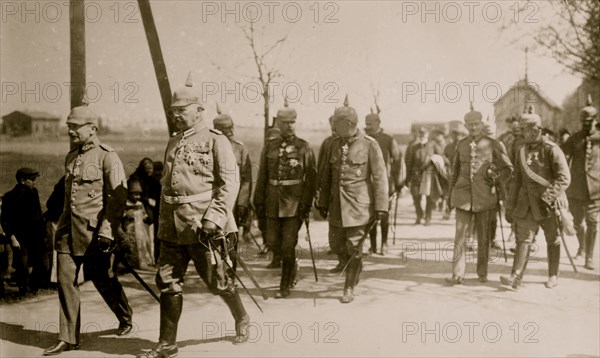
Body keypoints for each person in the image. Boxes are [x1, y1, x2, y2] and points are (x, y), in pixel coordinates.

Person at [141, 74, 249, 358]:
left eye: (182, 110)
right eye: (173, 111)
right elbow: (170, 184)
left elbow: (230, 183)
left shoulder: (216, 140)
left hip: (203, 226)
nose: (176, 115)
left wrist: (214, 218)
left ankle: (241, 317)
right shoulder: (174, 141)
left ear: (199, 110)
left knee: (217, 281)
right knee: (167, 281)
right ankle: (167, 343)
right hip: (172, 227)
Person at [44, 105, 133, 356]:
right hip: (67, 232)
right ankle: (69, 337)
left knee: (102, 279)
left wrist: (107, 231)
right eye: (69, 126)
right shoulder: (71, 157)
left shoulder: (108, 157)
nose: (70, 130)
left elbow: (117, 198)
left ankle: (125, 316)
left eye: (75, 126)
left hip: (95, 234)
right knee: (65, 282)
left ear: (93, 129)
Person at [317, 96, 388, 303]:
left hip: (359, 207)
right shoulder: (333, 145)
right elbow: (326, 175)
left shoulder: (369, 144)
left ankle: (348, 287)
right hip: (337, 206)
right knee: (337, 245)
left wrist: (381, 207)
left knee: (354, 248)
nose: (333, 128)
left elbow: (380, 177)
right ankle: (355, 267)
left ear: (347, 125)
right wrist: (322, 201)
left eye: (336, 124)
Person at [500, 105, 571, 289]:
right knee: (523, 239)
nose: (522, 134)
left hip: (547, 204)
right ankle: (516, 277)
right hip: (525, 204)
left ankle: (553, 275)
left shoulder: (551, 149)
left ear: (537, 129)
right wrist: (510, 206)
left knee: (552, 239)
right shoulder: (521, 151)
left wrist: (548, 196)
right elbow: (516, 181)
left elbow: (564, 178)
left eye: (525, 130)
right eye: (521, 130)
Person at [254, 99, 317, 298]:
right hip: (273, 203)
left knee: (288, 244)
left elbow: (312, 177)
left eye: (292, 122)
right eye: (285, 123)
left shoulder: (303, 147)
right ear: (278, 124)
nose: (289, 126)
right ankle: (293, 266)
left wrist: (306, 204)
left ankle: (285, 284)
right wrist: (259, 202)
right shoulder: (270, 146)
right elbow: (263, 176)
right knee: (273, 242)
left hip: (293, 203)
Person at [445, 103, 512, 285]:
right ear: (465, 126)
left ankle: (482, 273)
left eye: (476, 124)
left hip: (485, 197)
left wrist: (495, 179)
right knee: (460, 236)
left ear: (481, 124)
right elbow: (455, 172)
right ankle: (457, 274)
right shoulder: (461, 144)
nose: (473, 127)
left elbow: (508, 169)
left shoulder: (493, 144)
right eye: (470, 124)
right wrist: (450, 196)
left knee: (483, 237)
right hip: (463, 196)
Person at [213, 104, 253, 272]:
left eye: (232, 127)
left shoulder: (240, 148)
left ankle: (231, 273)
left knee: (231, 237)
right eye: (226, 128)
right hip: (215, 201)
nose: (231, 131)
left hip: (234, 202)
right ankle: (217, 272)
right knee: (214, 236)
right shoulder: (210, 146)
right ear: (217, 130)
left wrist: (243, 202)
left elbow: (246, 179)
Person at [562, 95, 599, 270]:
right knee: (578, 222)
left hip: (596, 188)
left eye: (589, 121)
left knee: (592, 221)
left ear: (595, 120)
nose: (586, 124)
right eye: (583, 121)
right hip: (576, 188)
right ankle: (582, 247)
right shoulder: (573, 139)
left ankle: (589, 257)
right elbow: (563, 160)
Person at [1, 167, 46, 295]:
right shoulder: (10, 197)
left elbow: (37, 214)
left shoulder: (33, 192)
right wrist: (12, 238)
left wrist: (43, 233)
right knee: (23, 264)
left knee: (39, 262)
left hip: (36, 236)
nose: (34, 182)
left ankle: (35, 288)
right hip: (20, 237)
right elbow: (5, 220)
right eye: (32, 179)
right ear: (22, 180)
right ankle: (23, 290)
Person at [364, 110, 403, 255]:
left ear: (378, 123)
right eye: (366, 124)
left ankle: (384, 244)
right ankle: (373, 246)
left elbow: (398, 160)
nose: (367, 126)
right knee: (370, 215)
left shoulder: (388, 139)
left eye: (370, 124)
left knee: (384, 214)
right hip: (368, 183)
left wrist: (397, 182)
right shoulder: (364, 139)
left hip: (385, 184)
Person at [317, 115, 343, 271]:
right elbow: (321, 168)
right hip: (332, 194)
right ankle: (339, 256)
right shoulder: (327, 143)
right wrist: (319, 190)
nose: (334, 128)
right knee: (334, 226)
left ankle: (348, 260)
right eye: (332, 125)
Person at [115, 178, 155, 271]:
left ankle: (140, 262)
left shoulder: (140, 204)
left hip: (140, 229)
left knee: (141, 245)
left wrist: (145, 217)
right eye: (135, 194)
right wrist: (126, 215)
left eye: (139, 195)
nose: (137, 197)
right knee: (130, 245)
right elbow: (122, 214)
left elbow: (144, 213)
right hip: (129, 228)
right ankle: (129, 263)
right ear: (129, 194)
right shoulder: (126, 203)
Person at [443, 124, 469, 220]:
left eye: (459, 134)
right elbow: (444, 156)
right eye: (455, 134)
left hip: (462, 172)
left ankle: (461, 211)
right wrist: (447, 162)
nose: (457, 136)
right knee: (450, 191)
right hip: (451, 172)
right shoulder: (449, 147)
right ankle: (448, 209)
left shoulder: (465, 146)